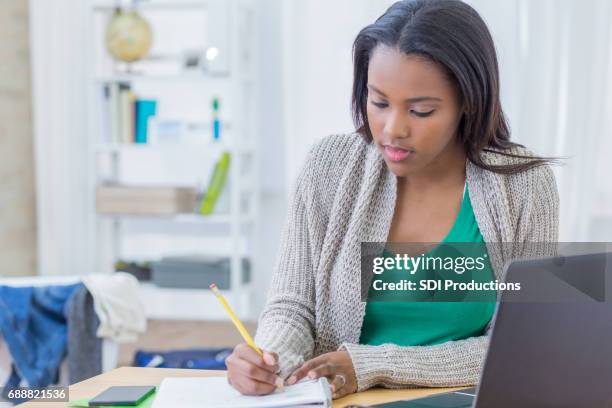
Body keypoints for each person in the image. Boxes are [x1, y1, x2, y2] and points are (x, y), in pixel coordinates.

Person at [226, 0, 559, 399]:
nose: (392, 129)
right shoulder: (328, 167)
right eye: (378, 102)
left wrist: (370, 365)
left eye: (420, 111)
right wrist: (270, 357)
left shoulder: (524, 185)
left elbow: (524, 344)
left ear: (468, 102)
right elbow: (293, 306)